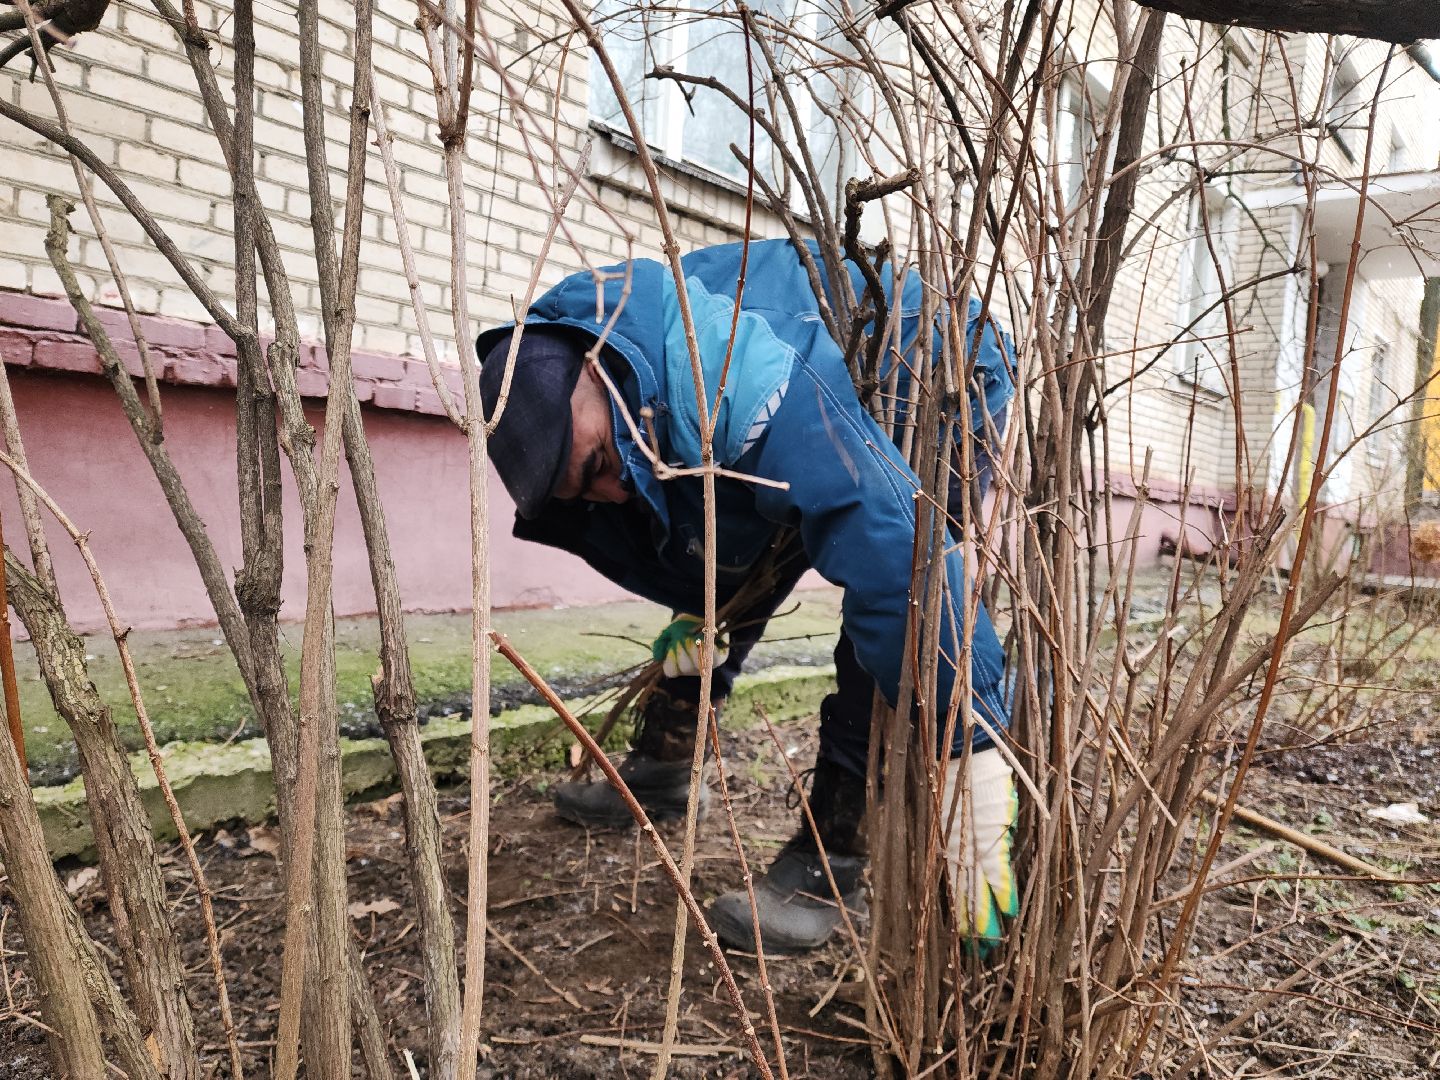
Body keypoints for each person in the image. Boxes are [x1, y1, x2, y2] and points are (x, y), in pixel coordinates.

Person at [475, 238, 1017, 952]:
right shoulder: (594, 366)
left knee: (884, 601)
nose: (610, 490)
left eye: (599, 461)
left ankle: (831, 857)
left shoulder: (728, 369)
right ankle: (669, 762)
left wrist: (967, 738)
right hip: (808, 371)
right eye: (585, 489)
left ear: (596, 371)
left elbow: (891, 550)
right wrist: (699, 613)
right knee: (720, 533)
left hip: (928, 366)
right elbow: (707, 522)